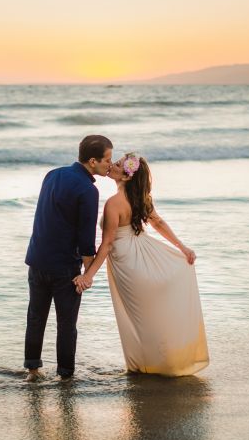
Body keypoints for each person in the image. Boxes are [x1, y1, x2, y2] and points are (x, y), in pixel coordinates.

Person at [73, 153, 209, 376]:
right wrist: (182, 248)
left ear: (126, 176)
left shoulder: (114, 203)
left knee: (138, 319)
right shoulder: (140, 198)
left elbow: (107, 244)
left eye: (117, 164)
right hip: (141, 254)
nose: (111, 166)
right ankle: (160, 363)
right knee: (145, 318)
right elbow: (158, 222)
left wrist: (88, 276)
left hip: (128, 262)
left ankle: (148, 366)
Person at [23, 135, 113, 381]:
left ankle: (32, 369)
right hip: (64, 267)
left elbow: (46, 215)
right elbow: (86, 238)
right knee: (66, 324)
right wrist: (87, 274)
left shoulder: (52, 174)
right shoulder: (88, 189)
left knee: (36, 316)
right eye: (107, 159)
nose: (110, 164)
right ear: (92, 161)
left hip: (37, 259)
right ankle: (65, 375)